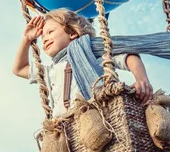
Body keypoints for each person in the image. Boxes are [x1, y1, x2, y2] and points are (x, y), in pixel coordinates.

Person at [12, 9, 153, 118]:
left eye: (50, 32)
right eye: (43, 37)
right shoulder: (51, 71)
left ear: (72, 33)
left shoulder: (89, 54)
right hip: (65, 124)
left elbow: (128, 56)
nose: (45, 38)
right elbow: (19, 69)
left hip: (96, 114)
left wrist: (142, 79)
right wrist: (27, 39)